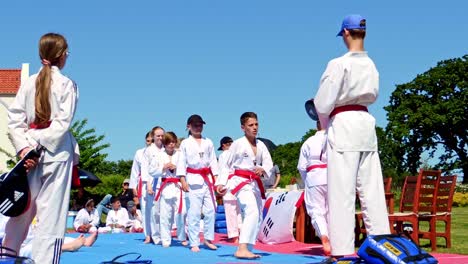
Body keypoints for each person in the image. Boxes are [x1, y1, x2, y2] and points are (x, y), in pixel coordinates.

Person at [314, 14, 390, 257]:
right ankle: (383, 247)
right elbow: (375, 94)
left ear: (346, 33)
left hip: (344, 124)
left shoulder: (338, 64)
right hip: (366, 125)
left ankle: (342, 251)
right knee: (373, 191)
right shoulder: (371, 65)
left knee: (341, 192)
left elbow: (323, 103)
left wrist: (324, 120)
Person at [4, 33, 79, 264]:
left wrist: (26, 148)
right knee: (51, 215)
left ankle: (6, 256)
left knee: (22, 207)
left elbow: (14, 119)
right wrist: (38, 145)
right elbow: (62, 124)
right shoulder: (67, 85)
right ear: (62, 55)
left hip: (29, 153)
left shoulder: (28, 83)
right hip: (56, 153)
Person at [216, 112, 273, 259]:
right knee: (251, 210)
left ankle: (248, 247)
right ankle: (241, 248)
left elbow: (268, 163)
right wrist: (221, 183)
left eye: (256, 124)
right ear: (243, 127)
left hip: (255, 183)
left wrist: (263, 169)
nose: (254, 128)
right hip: (241, 182)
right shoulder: (238, 144)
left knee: (258, 215)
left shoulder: (261, 145)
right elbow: (225, 164)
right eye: (250, 125)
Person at [177, 114, 219, 252]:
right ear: (188, 126)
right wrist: (182, 180)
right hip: (192, 179)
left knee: (211, 210)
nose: (198, 127)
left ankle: (208, 239)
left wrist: (217, 180)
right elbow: (181, 162)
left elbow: (213, 161)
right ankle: (194, 242)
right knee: (193, 213)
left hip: (207, 180)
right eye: (195, 125)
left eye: (200, 125)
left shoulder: (208, 142)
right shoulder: (185, 143)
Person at [297, 121, 330, 255]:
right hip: (332, 177)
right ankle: (335, 241)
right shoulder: (335, 139)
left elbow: (301, 167)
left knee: (316, 210)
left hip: (314, 176)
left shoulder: (308, 142)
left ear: (316, 126)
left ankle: (323, 236)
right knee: (332, 211)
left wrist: (308, 181)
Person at [154, 132, 188, 247]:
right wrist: (163, 167)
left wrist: (177, 168)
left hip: (177, 186)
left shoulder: (180, 154)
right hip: (166, 186)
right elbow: (151, 171)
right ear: (164, 143)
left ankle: (182, 236)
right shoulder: (159, 155)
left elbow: (186, 169)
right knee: (165, 215)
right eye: (169, 142)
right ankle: (166, 240)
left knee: (182, 212)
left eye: (173, 142)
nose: (172, 145)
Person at [141, 126, 165, 244]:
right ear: (153, 137)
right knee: (154, 212)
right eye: (158, 136)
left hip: (166, 183)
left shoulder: (167, 149)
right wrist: (148, 185)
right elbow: (144, 168)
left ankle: (165, 234)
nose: (160, 138)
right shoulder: (149, 150)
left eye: (162, 135)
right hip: (153, 184)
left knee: (165, 212)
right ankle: (155, 236)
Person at [217, 136, 241, 243]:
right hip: (240, 184)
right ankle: (242, 234)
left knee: (230, 211)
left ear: (223, 146)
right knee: (240, 211)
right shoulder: (239, 153)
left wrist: (220, 184)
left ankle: (234, 236)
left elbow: (223, 170)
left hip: (229, 183)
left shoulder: (224, 155)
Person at [129, 131, 153, 205]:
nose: (150, 143)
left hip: (156, 181)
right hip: (143, 184)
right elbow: (134, 171)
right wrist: (133, 188)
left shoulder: (161, 152)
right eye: (148, 141)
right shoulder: (139, 152)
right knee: (145, 207)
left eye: (152, 141)